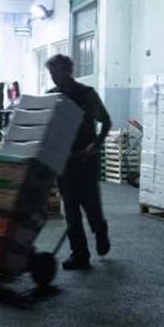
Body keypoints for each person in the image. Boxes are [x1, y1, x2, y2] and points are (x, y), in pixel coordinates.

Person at [46, 54, 112, 270]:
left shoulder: (86, 95)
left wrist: (97, 144)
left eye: (57, 72)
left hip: (86, 159)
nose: (54, 77)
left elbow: (106, 121)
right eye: (51, 73)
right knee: (71, 210)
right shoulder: (51, 97)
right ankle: (79, 254)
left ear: (68, 71)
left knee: (91, 206)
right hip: (64, 161)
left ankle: (100, 230)